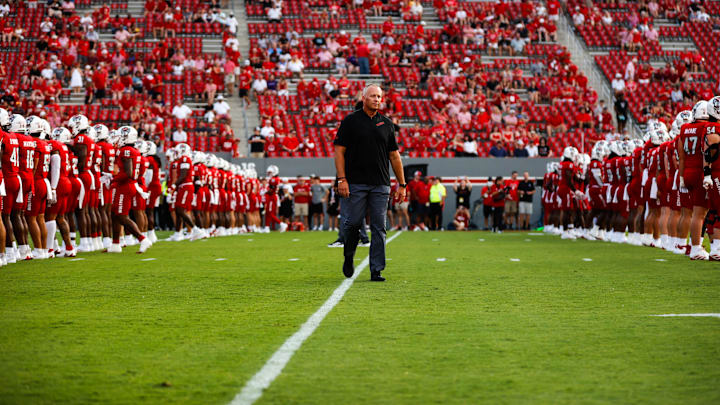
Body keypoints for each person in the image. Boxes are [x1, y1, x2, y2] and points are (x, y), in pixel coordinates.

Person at [334, 84, 406, 282]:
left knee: (379, 227)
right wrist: (342, 179)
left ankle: (376, 269)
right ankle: (349, 256)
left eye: (379, 96)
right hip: (355, 182)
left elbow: (394, 156)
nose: (377, 99)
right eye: (373, 96)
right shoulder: (350, 121)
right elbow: (339, 151)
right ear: (363, 97)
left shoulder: (387, 124)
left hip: (380, 184)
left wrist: (402, 184)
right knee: (353, 224)